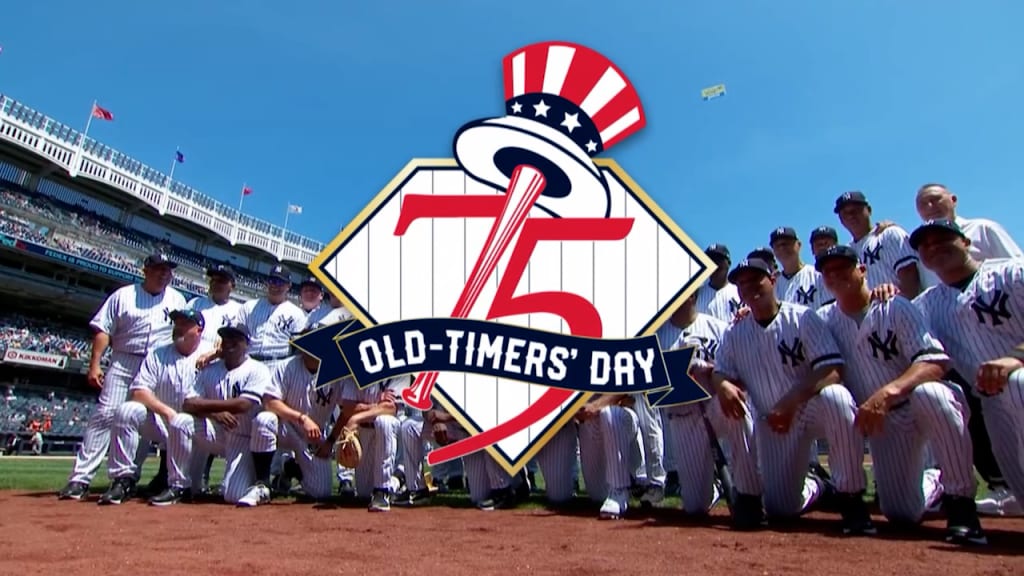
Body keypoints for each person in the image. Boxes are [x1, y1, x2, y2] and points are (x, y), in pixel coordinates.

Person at [815, 245, 985, 544]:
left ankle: (962, 506)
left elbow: (933, 362)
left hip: (914, 405)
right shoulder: (823, 319)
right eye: (828, 271)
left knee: (932, 393)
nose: (835, 275)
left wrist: (889, 391)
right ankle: (936, 480)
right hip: (880, 422)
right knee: (902, 513)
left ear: (862, 270)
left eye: (843, 267)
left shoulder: (895, 306)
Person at [711, 257, 874, 535]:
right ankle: (817, 485)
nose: (749, 287)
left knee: (836, 397)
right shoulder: (735, 331)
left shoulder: (802, 317)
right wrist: (723, 384)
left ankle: (851, 497)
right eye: (742, 283)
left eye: (756, 279)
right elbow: (720, 371)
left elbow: (832, 368)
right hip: (772, 422)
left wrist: (791, 401)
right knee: (781, 510)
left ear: (773, 280)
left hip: (809, 409)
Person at [914, 184, 1023, 517]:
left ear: (966, 241)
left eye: (943, 240)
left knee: (1019, 384)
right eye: (926, 246)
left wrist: (1017, 356)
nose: (934, 248)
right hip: (991, 403)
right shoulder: (926, 305)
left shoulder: (1011, 274)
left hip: (1019, 383)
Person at [58, 253, 187, 501]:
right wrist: (95, 363)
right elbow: (103, 330)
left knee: (140, 421)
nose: (163, 274)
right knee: (105, 416)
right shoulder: (123, 295)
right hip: (124, 359)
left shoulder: (177, 299)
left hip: (156, 364)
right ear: (145, 270)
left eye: (167, 270)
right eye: (158, 269)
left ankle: (127, 478)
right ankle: (80, 479)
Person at [658, 293, 761, 522]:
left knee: (738, 408)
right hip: (683, 416)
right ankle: (715, 487)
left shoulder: (720, 328)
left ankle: (748, 494)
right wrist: (681, 369)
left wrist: (709, 369)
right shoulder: (657, 335)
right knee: (695, 508)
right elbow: (652, 387)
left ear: (692, 295)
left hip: (716, 407)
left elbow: (741, 370)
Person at [97, 310, 213, 506]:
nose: (179, 327)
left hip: (196, 430)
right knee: (127, 410)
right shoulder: (159, 353)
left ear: (199, 329)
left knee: (193, 489)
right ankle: (123, 480)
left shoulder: (211, 353)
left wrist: (217, 352)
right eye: (177, 323)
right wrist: (167, 412)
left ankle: (178, 484)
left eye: (185, 323)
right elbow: (139, 391)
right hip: (163, 422)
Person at [166, 323, 272, 506]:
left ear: (247, 344)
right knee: (180, 421)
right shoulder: (210, 370)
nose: (229, 342)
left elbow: (244, 404)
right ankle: (179, 486)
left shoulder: (258, 369)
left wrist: (207, 407)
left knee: (232, 495)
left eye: (236, 339)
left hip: (244, 437)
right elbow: (188, 403)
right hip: (215, 432)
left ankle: (260, 481)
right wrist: (215, 413)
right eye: (226, 338)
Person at [250, 346, 336, 501]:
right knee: (264, 420)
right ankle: (262, 483)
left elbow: (348, 408)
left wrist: (331, 441)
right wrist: (302, 418)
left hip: (314, 435)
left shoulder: (336, 372)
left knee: (321, 492)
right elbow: (269, 402)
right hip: (285, 427)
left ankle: (292, 468)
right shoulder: (287, 366)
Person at [833, 191, 923, 298]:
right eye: (845, 213)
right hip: (869, 313)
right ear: (841, 220)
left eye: (855, 210)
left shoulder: (890, 233)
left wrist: (900, 309)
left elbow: (910, 278)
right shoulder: (846, 252)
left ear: (869, 210)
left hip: (899, 307)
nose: (851, 216)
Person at [769, 227, 834, 309]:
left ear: (798, 245)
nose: (782, 248)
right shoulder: (773, 286)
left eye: (786, 243)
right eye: (777, 245)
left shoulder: (818, 275)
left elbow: (831, 312)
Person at [696, 244, 742, 323]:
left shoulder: (740, 292)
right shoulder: (696, 295)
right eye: (711, 260)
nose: (715, 264)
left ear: (729, 263)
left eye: (719, 259)